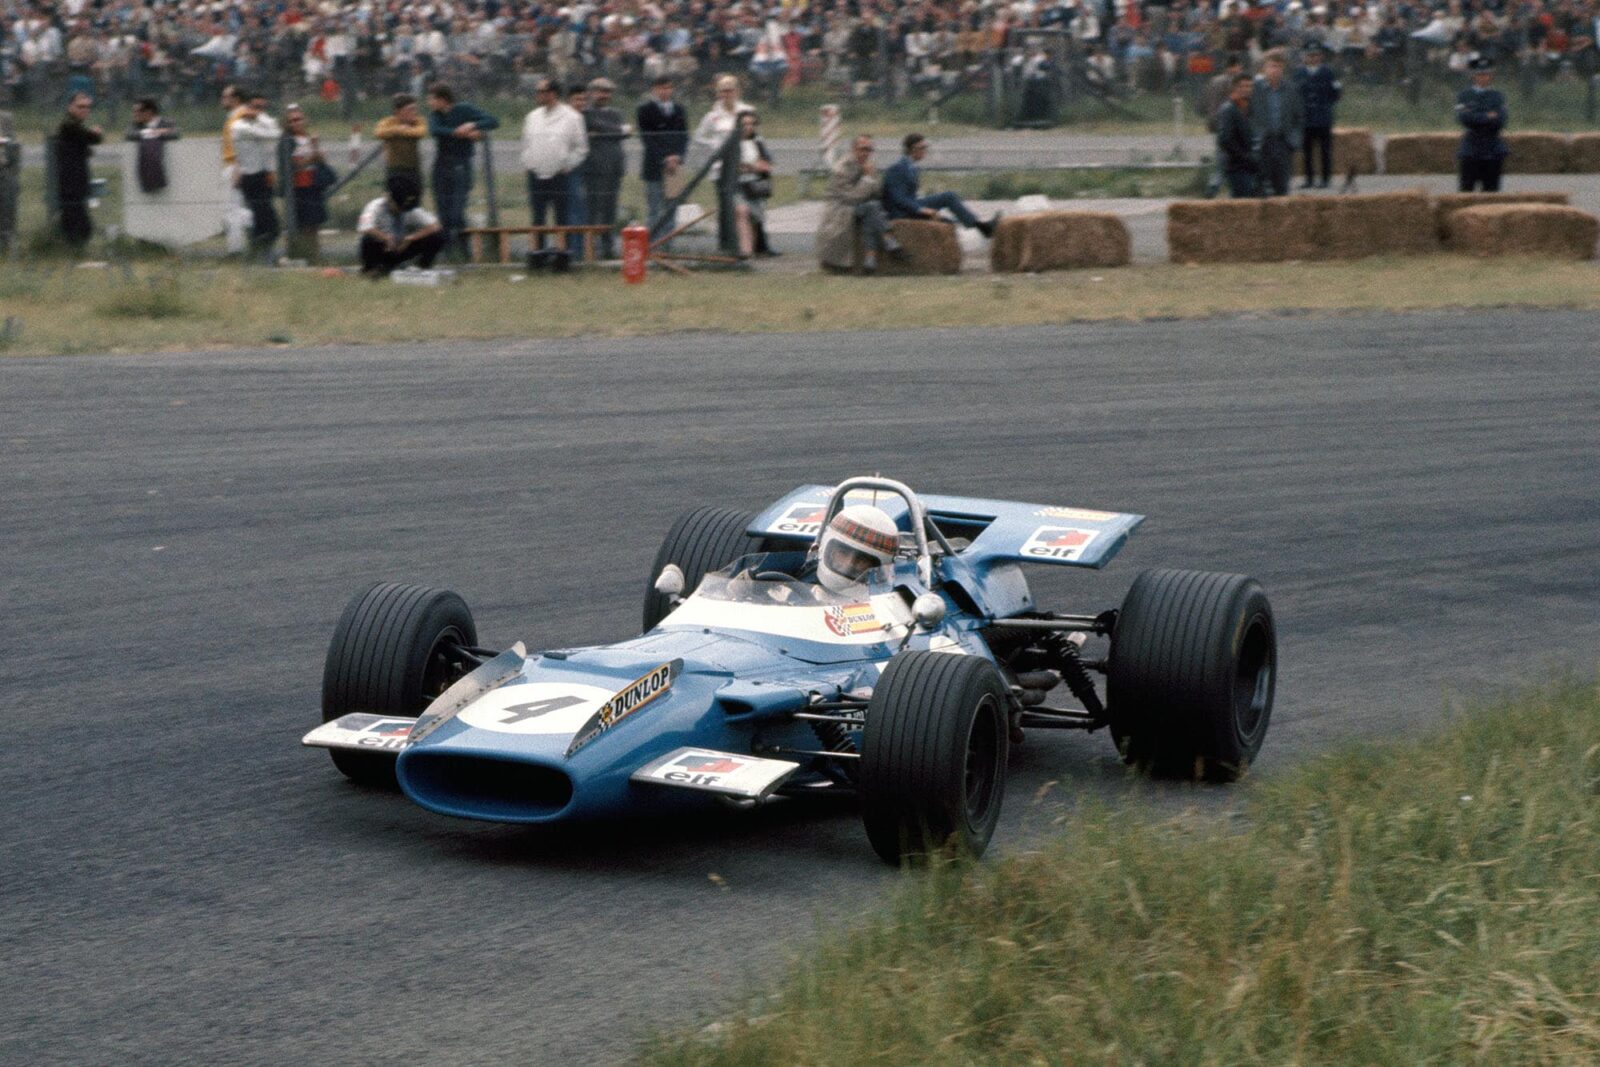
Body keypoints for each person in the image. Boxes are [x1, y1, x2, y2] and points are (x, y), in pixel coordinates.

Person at [427, 82, 499, 260]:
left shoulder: (464, 110)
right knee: (443, 211)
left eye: (432, 98)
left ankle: (465, 251)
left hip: (461, 165)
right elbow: (435, 130)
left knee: (456, 212)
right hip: (442, 165)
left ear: (443, 99)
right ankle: (448, 253)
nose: (429, 102)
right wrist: (457, 132)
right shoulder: (435, 115)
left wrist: (472, 126)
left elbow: (492, 121)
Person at [882, 133, 998, 237]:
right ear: (913, 149)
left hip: (910, 207)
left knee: (948, 213)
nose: (925, 151)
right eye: (923, 148)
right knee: (948, 199)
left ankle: (979, 225)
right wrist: (921, 209)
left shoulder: (912, 167)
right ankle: (981, 227)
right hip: (901, 213)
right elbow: (898, 198)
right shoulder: (897, 168)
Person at [520, 77, 588, 251]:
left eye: (541, 92)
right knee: (538, 219)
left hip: (559, 176)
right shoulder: (532, 117)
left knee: (561, 219)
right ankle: (538, 254)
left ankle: (562, 256)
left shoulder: (572, 117)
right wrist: (530, 164)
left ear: (552, 94)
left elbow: (581, 148)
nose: (537, 95)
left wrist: (567, 165)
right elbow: (525, 145)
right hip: (536, 176)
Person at [816, 133, 898, 274]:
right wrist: (867, 179)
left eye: (869, 149)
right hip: (840, 210)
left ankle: (870, 260)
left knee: (872, 211)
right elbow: (852, 197)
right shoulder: (842, 167)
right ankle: (888, 240)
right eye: (863, 149)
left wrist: (871, 177)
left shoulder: (868, 166)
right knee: (872, 207)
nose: (866, 153)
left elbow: (877, 194)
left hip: (861, 207)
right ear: (853, 149)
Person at [358, 173, 446, 276]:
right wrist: (385, 238)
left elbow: (435, 226)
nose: (400, 210)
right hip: (382, 248)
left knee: (438, 236)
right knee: (368, 240)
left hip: (400, 248)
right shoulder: (375, 206)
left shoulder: (408, 209)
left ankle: (423, 267)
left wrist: (411, 238)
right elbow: (366, 227)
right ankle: (372, 269)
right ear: (389, 197)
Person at [636, 75, 689, 244]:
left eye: (668, 87)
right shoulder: (645, 110)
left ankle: (668, 244)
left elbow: (684, 136)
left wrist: (677, 156)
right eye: (661, 88)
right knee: (654, 208)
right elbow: (648, 139)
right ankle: (652, 244)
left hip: (674, 168)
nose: (665, 91)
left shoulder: (679, 110)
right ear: (654, 89)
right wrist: (664, 157)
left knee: (671, 207)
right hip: (654, 166)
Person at [231, 90, 282, 262]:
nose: (259, 111)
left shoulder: (261, 121)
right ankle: (258, 250)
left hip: (263, 174)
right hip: (249, 176)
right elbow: (273, 134)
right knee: (260, 215)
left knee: (265, 215)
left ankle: (262, 250)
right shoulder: (239, 126)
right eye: (255, 107)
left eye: (262, 107)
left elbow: (271, 148)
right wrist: (263, 120)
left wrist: (271, 171)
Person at [583, 77, 628, 259]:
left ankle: (608, 248)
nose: (604, 95)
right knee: (593, 210)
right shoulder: (587, 113)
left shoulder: (616, 113)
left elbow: (623, 132)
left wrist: (604, 130)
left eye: (607, 92)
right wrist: (616, 131)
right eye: (600, 91)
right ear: (592, 93)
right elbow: (618, 131)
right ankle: (590, 248)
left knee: (610, 209)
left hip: (614, 168)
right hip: (595, 169)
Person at [1249, 50, 1303, 197]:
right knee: (1258, 189)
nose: (1275, 70)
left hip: (1283, 143)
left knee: (1281, 188)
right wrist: (1252, 139)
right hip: (1261, 143)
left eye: (1279, 66)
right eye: (1272, 66)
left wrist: (1293, 142)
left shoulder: (1291, 89)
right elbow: (1247, 116)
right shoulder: (1254, 89)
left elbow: (1299, 118)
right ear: (1264, 68)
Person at [285, 104, 334, 262]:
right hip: (300, 186)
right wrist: (312, 157)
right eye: (291, 121)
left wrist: (316, 150)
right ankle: (304, 256)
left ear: (304, 120)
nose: (295, 123)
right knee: (303, 226)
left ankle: (315, 256)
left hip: (313, 184)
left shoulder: (309, 138)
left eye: (298, 119)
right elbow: (293, 166)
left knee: (314, 226)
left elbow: (320, 159)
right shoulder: (289, 141)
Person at [54, 92, 102, 250]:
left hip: (78, 179)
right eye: (80, 106)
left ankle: (75, 248)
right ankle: (73, 248)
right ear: (70, 107)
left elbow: (83, 144)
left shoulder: (75, 126)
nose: (85, 110)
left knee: (79, 218)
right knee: (77, 221)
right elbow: (93, 138)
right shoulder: (69, 124)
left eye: (87, 107)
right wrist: (94, 134)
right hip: (70, 181)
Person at [814, 505, 899, 593]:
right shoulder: (803, 576)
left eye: (862, 560)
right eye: (843, 553)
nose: (849, 563)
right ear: (825, 547)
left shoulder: (886, 598)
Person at [1456, 56, 1508, 193]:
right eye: (1480, 74)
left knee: (1491, 191)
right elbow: (1464, 119)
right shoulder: (1465, 95)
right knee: (1466, 190)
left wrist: (1476, 115)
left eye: (1487, 74)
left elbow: (1501, 120)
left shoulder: (1497, 96)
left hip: (1493, 148)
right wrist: (1487, 116)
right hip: (1471, 149)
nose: (1484, 77)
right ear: (1473, 76)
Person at [1296, 43, 1342, 189]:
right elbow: (1295, 93)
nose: (1313, 58)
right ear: (1305, 57)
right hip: (1306, 117)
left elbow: (1336, 93)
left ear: (1320, 57)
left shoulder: (1328, 72)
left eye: (1315, 55)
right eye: (1310, 55)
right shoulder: (1299, 73)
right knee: (1307, 151)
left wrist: (1326, 105)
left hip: (1323, 117)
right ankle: (1309, 179)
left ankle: (1325, 179)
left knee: (1325, 150)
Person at [735, 110, 775, 257]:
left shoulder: (758, 141)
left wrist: (752, 166)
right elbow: (735, 167)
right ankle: (745, 251)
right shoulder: (733, 142)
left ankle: (754, 249)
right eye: (745, 124)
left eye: (751, 124)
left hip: (756, 185)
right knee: (742, 212)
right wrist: (752, 166)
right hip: (739, 186)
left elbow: (768, 164)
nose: (748, 127)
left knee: (756, 217)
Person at [1215, 74, 1259, 199]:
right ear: (1235, 88)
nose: (1247, 89)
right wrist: (1244, 157)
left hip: (1249, 165)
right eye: (1243, 86)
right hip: (1237, 166)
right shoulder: (1229, 109)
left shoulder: (1247, 107)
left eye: (1250, 86)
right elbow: (1224, 139)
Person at [219, 84, 250, 254]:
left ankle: (235, 249)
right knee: (230, 209)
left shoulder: (240, 116)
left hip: (235, 165)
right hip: (231, 164)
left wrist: (237, 168)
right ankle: (257, 221)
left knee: (232, 209)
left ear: (236, 99)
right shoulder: (234, 116)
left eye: (226, 96)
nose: (222, 99)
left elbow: (243, 146)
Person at [126, 98, 179, 195]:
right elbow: (129, 135)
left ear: (148, 112)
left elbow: (175, 133)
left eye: (137, 111)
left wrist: (160, 133)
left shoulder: (167, 122)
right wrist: (152, 132)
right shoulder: (135, 124)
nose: (134, 114)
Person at [373, 93, 427, 183]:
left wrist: (402, 131)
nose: (414, 112)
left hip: (413, 169)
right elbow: (378, 133)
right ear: (398, 111)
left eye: (415, 109)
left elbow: (420, 132)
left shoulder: (418, 121)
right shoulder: (388, 122)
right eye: (410, 110)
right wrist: (397, 129)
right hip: (394, 169)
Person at [1, 108, 23, 255]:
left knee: (7, 214)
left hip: (4, 171)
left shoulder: (5, 118)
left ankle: (5, 243)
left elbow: (14, 148)